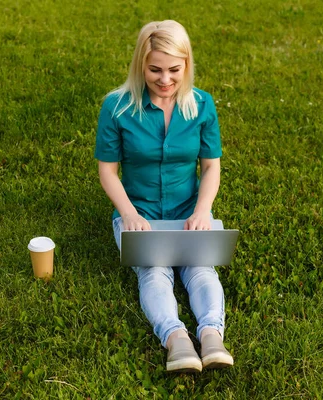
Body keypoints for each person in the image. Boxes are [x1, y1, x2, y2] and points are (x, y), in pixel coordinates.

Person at [94, 20, 233, 373]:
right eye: (155, 69)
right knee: (154, 271)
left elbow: (211, 167)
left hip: (189, 211)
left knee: (201, 269)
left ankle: (212, 336)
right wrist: (129, 214)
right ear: (140, 63)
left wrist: (203, 210)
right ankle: (177, 340)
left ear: (187, 64)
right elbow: (107, 172)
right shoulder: (117, 107)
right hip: (139, 212)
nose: (165, 79)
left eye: (174, 69)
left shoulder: (202, 105)